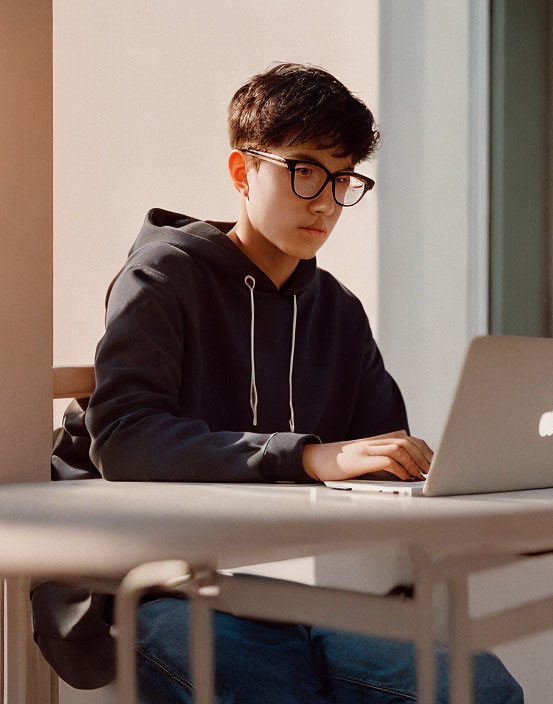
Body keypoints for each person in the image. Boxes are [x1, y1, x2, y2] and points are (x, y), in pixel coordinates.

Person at [84, 63, 524, 703]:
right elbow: (124, 436)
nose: (325, 200)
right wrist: (309, 457)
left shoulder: (338, 311)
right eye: (305, 169)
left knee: (480, 688)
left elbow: (380, 445)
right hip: (174, 584)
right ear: (242, 172)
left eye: (343, 178)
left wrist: (428, 461)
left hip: (312, 588)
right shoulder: (164, 277)